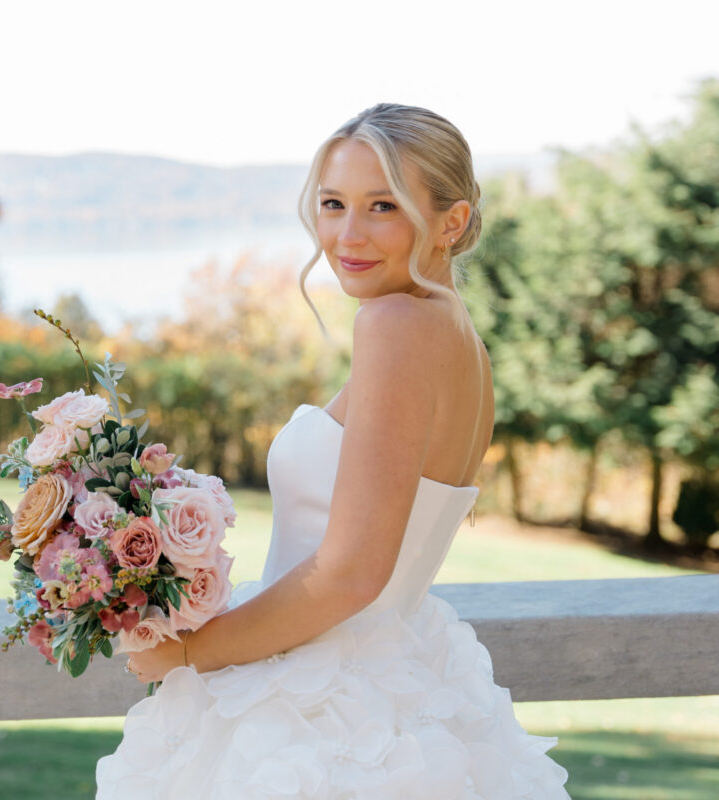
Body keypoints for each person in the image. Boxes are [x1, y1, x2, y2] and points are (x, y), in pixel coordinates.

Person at [96, 103, 571, 799]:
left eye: (383, 206)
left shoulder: (396, 324)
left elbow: (352, 573)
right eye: (332, 204)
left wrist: (193, 651)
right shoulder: (456, 336)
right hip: (391, 678)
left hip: (325, 710)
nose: (347, 235)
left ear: (452, 221)